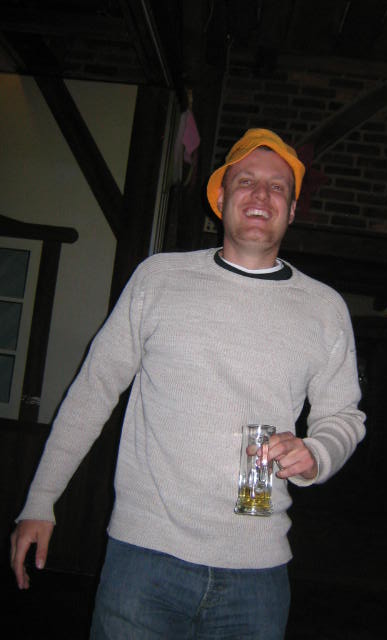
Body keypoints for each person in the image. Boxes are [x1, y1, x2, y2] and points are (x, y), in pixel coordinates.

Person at [10, 128, 366, 639]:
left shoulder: (324, 308)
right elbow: (93, 390)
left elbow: (344, 415)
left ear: (291, 210)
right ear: (220, 198)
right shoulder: (159, 278)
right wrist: (40, 500)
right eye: (246, 181)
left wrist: (317, 453)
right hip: (144, 558)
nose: (261, 195)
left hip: (257, 572)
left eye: (277, 187)